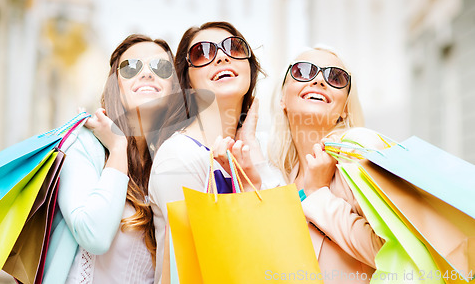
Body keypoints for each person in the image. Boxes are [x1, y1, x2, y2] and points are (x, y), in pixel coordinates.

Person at [148, 21, 283, 283]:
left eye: (235, 47)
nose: (222, 56)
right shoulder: (178, 157)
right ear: (186, 79)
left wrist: (252, 149)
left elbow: (286, 234)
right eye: (202, 52)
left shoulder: (264, 150)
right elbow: (203, 263)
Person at [43, 34, 179, 284]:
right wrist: (118, 148)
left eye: (161, 67)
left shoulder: (176, 159)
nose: (147, 74)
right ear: (116, 86)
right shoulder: (84, 145)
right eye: (131, 67)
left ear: (175, 86)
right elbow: (93, 236)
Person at [268, 46, 385, 283]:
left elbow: (390, 251)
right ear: (283, 100)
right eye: (303, 71)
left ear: (344, 110)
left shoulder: (360, 153)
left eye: (335, 77)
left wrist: (319, 194)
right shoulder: (280, 177)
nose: (320, 80)